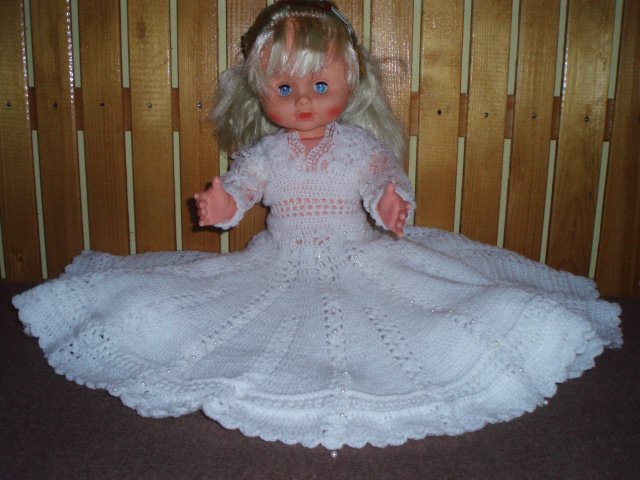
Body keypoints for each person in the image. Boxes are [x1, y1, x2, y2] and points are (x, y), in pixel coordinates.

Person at [13, 1, 621, 450]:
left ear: (352, 84)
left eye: (320, 84)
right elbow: (245, 185)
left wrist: (389, 201)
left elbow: (381, 174)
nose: (303, 100)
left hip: (363, 258)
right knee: (156, 310)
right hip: (277, 263)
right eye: (285, 87)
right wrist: (225, 206)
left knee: (469, 313)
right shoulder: (266, 153)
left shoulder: (357, 145)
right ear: (259, 92)